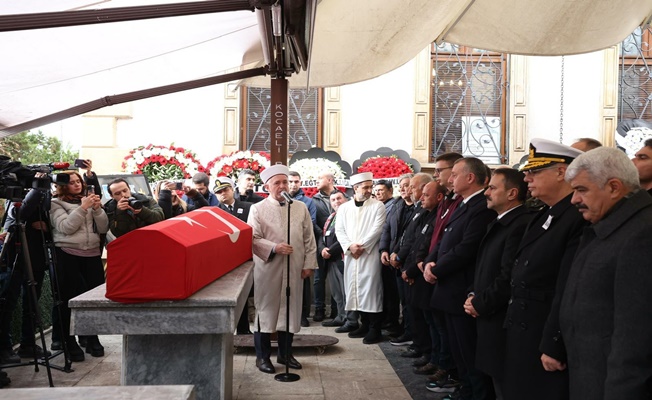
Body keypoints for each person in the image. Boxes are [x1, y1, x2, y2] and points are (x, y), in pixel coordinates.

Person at [560, 147, 652, 399]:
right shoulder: (608, 226)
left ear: (613, 187)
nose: (574, 200)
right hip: (591, 376)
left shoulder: (642, 235)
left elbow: (635, 337)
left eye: (581, 190)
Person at [502, 138, 587, 400]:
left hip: (542, 331)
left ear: (561, 172)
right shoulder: (545, 214)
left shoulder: (577, 218)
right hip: (524, 325)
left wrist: (554, 342)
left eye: (535, 172)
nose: (527, 178)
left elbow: (567, 287)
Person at [423, 157, 497, 399]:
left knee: (468, 349)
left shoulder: (481, 208)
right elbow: (444, 238)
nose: (450, 179)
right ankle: (465, 389)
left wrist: (436, 268)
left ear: (470, 178)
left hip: (461, 287)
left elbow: (467, 248)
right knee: (458, 349)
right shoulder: (463, 204)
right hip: (448, 287)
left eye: (455, 174)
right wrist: (430, 262)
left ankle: (476, 393)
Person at [463, 168, 532, 398]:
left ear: (512, 193)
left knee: (503, 382)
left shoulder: (519, 224)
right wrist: (474, 294)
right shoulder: (502, 221)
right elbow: (485, 266)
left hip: (499, 316)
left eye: (492, 188)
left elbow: (508, 275)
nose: (486, 193)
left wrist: (481, 302)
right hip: (487, 309)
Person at [248, 165, 317, 374]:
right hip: (269, 269)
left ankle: (286, 354)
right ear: (267, 186)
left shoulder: (300, 207)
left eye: (285, 182)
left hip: (294, 267)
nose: (282, 186)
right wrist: (274, 248)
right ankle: (262, 358)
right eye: (277, 183)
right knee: (266, 313)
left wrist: (308, 264)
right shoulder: (257, 209)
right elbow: (253, 239)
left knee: (290, 311)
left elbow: (309, 238)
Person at [50, 170, 109, 362]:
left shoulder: (88, 201)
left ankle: (92, 337)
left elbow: (103, 228)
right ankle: (69, 341)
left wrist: (98, 209)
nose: (77, 185)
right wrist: (83, 208)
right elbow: (66, 227)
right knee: (69, 299)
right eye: (72, 182)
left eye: (79, 181)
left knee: (92, 300)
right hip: (67, 254)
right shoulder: (55, 203)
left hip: (92, 253)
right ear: (63, 186)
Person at [335, 172, 386, 344]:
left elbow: (377, 229)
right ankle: (363, 324)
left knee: (371, 290)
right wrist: (349, 247)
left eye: (371, 187)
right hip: (351, 255)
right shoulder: (344, 208)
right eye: (366, 187)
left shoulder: (377, 206)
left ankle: (375, 328)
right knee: (355, 290)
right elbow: (339, 230)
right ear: (355, 188)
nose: (369, 190)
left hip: (369, 255)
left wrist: (361, 246)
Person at [215, 177, 253, 335]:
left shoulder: (248, 207)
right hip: (226, 260)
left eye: (225, 189)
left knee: (245, 294)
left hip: (246, 256)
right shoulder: (214, 212)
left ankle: (244, 329)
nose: (223, 194)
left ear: (232, 190)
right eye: (219, 192)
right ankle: (226, 331)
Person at [318, 191, 358, 331]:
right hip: (331, 261)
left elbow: (346, 237)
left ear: (345, 199)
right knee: (336, 292)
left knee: (347, 291)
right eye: (333, 199)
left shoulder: (350, 215)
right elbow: (322, 236)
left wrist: (330, 251)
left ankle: (351, 320)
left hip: (343, 258)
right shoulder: (332, 216)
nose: (336, 201)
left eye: (339, 198)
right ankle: (341, 317)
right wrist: (322, 248)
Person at [287, 171, 318, 326]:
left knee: (303, 282)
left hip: (300, 246)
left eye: (296, 181)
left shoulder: (308, 202)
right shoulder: (280, 200)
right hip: (283, 248)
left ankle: (303, 315)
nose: (293, 184)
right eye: (290, 181)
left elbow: (310, 223)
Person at [311, 172, 338, 322]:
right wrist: (321, 243)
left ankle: (336, 310)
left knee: (337, 278)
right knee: (318, 279)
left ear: (329, 180)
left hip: (338, 245)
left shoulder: (343, 197)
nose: (316, 180)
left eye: (319, 178)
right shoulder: (314, 200)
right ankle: (319, 310)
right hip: (320, 244)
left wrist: (334, 246)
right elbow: (313, 222)